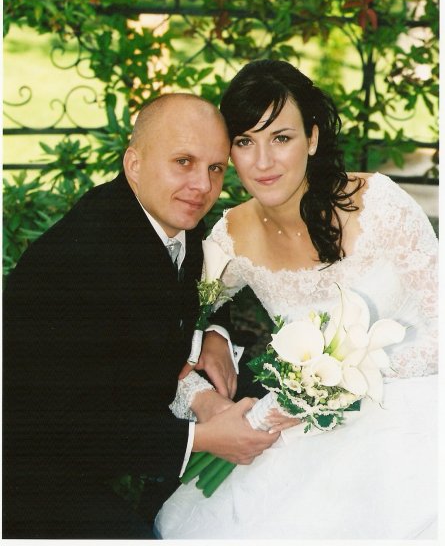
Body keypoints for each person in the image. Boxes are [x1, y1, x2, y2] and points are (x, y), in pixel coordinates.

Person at [155, 61, 439, 540]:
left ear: (312, 138)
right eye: (245, 142)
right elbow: (164, 330)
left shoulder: (380, 203)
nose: (263, 162)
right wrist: (203, 389)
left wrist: (339, 383)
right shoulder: (231, 237)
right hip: (303, 425)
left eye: (281, 138)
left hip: (417, 408)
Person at [2, 93, 281, 538]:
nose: (202, 186)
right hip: (32, 469)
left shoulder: (172, 216)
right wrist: (201, 439)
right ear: (134, 163)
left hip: (118, 426)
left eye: (215, 168)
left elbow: (199, 290)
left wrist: (213, 333)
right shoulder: (75, 260)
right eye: (183, 162)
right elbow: (63, 423)